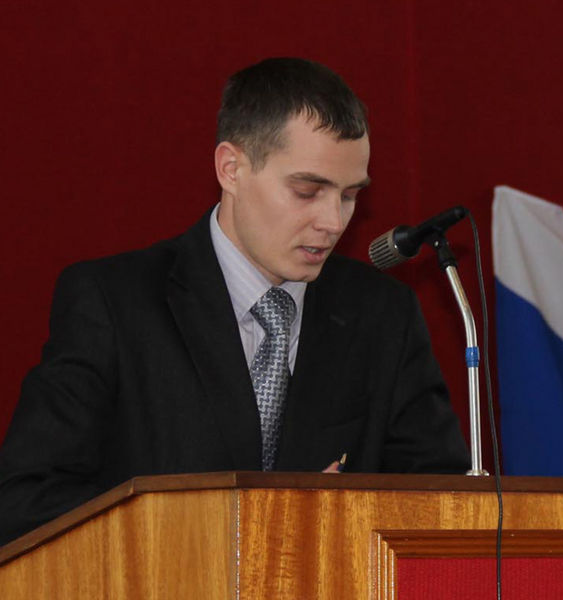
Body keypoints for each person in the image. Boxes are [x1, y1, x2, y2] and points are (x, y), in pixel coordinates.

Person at [0, 57, 469, 546]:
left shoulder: (384, 316)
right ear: (231, 168)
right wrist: (240, 528)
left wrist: (346, 517)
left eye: (349, 196)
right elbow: (24, 502)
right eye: (307, 191)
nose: (333, 221)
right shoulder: (115, 303)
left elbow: (442, 509)